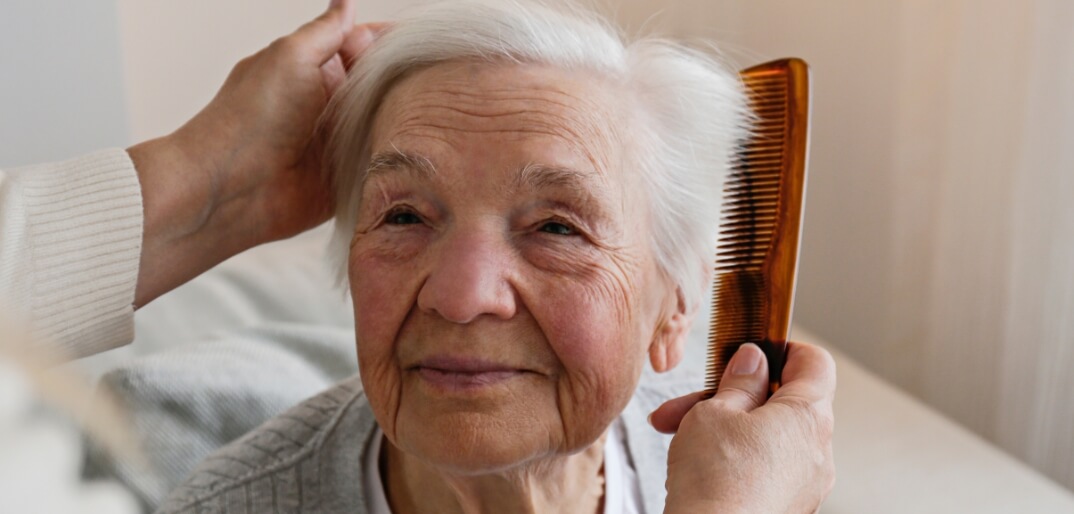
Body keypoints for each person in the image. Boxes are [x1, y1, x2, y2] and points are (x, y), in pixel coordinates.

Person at [0, 0, 835, 512]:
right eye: (404, 215)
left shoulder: (749, 478)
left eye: (556, 227)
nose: (463, 294)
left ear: (673, 312)